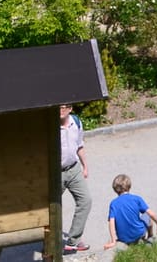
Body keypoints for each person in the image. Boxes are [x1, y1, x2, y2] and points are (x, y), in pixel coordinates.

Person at [59, 104, 92, 255]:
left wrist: (85, 166)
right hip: (55, 174)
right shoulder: (50, 125)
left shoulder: (76, 123)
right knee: (50, 209)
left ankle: (73, 242)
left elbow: (80, 146)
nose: (61, 110)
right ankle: (49, 244)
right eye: (58, 107)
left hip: (73, 169)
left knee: (85, 201)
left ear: (70, 109)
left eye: (64, 107)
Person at [102, 173, 157, 249]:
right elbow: (151, 213)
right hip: (138, 233)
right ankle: (150, 236)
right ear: (129, 186)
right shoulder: (136, 199)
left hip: (123, 238)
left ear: (115, 189)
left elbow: (111, 222)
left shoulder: (113, 203)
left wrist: (113, 241)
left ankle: (129, 242)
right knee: (146, 216)